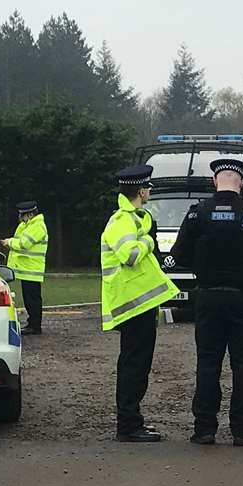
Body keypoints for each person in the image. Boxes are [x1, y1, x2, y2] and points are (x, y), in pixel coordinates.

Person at [169, 158, 243, 446]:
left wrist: (203, 264)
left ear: (215, 181)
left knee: (208, 362)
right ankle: (242, 429)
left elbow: (179, 254)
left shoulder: (198, 213)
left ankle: (204, 428)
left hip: (207, 297)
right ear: (241, 182)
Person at [100, 165, 174, 442]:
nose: (150, 191)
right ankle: (128, 425)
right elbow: (130, 255)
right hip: (131, 305)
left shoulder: (135, 218)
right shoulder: (122, 221)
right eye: (148, 187)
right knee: (133, 366)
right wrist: (147, 242)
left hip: (139, 304)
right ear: (141, 191)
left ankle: (133, 421)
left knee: (138, 365)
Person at [3, 200, 49, 334]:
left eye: (22, 215)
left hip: (32, 269)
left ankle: (35, 326)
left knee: (32, 299)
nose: (20, 218)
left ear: (29, 214)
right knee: (30, 298)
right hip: (28, 269)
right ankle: (32, 323)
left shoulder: (37, 226)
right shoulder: (29, 225)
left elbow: (24, 244)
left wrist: (9, 242)